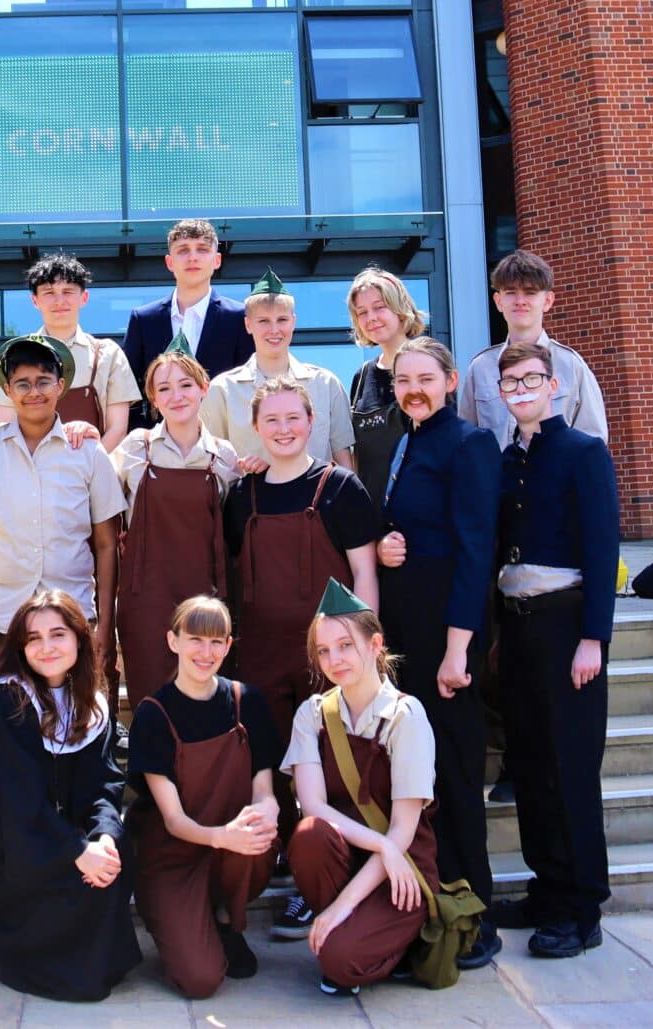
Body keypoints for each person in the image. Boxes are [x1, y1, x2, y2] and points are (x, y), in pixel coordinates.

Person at [222, 375, 381, 942]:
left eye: (294, 419)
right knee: (270, 760)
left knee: (333, 764)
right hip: (261, 651)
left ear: (311, 424)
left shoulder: (339, 488)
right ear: (256, 428)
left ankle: (325, 888)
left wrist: (364, 647)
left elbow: (364, 570)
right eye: (272, 420)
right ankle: (282, 867)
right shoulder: (242, 494)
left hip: (329, 655)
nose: (283, 429)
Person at [486, 339, 619, 958]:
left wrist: (594, 638)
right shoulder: (506, 459)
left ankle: (582, 905)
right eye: (510, 385)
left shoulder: (583, 453)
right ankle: (547, 889)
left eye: (531, 381)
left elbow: (601, 549)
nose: (521, 392)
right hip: (518, 629)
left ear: (555, 386)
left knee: (570, 771)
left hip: (569, 629)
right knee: (532, 765)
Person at [374, 337, 502, 969]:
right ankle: (430, 907)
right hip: (406, 639)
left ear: (450, 381)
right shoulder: (406, 441)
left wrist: (459, 650)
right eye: (403, 379)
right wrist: (386, 548)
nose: (414, 388)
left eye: (425, 377)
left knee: (453, 776)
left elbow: (477, 550)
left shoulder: (470, 443)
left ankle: (477, 919)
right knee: (419, 780)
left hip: (448, 645)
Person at [0, 590, 143, 1002]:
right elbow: (16, 802)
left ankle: (89, 956)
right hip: (11, 844)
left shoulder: (90, 701)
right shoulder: (9, 700)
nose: (47, 647)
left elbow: (105, 784)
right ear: (20, 648)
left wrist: (103, 838)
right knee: (81, 876)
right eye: (33, 638)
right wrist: (76, 850)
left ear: (79, 638)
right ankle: (25, 951)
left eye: (58, 634)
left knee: (115, 853)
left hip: (53, 830)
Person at [283, 581, 440, 997]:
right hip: (350, 857)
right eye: (323, 650)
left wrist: (344, 902)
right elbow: (313, 805)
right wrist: (379, 845)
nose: (334, 659)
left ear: (375, 645)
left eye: (345, 645)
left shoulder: (405, 716)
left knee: (338, 962)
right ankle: (347, 929)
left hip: (400, 871)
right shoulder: (312, 714)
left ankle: (382, 936)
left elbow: (403, 833)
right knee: (308, 837)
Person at [0, 333, 127, 692]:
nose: (34, 392)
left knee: (73, 728)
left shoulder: (89, 455)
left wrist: (106, 624)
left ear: (60, 386)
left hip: (72, 619)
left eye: (44, 381)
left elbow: (107, 546)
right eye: (23, 384)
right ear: (8, 391)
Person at [127, 596, 282, 998]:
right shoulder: (152, 715)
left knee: (259, 835)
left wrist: (267, 811)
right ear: (172, 641)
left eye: (217, 642)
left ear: (229, 646)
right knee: (199, 980)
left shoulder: (247, 701)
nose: (206, 652)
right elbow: (175, 821)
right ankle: (187, 924)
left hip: (228, 853)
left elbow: (264, 790)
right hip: (171, 861)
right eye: (195, 639)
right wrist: (222, 836)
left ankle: (229, 923)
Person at [112, 346, 239, 707]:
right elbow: (96, 504)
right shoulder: (135, 448)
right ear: (153, 398)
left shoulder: (225, 456)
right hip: (145, 600)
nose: (176, 396)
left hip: (206, 597)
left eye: (185, 384)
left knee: (202, 699)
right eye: (164, 388)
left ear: (204, 387)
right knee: (150, 700)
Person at [0, 252, 139, 451]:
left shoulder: (108, 354)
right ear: (34, 300)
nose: (59, 301)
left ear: (84, 297)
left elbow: (117, 429)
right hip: (30, 474)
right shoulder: (11, 356)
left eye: (67, 291)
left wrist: (90, 468)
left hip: (93, 474)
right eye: (48, 293)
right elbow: (4, 429)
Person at [203, 269, 357, 469]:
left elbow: (344, 458)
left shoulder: (326, 384)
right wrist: (242, 468)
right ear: (248, 325)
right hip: (248, 498)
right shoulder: (222, 389)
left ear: (293, 322)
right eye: (263, 321)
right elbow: (212, 464)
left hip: (315, 499)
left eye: (282, 320)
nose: (274, 330)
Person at [458, 251, 608, 445]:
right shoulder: (480, 368)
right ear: (498, 301)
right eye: (511, 292)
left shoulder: (571, 365)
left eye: (530, 292)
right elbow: (465, 441)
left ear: (547, 301)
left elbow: (593, 440)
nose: (520, 300)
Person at [124, 219, 253, 428]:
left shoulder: (240, 318)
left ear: (217, 260)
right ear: (169, 262)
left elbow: (248, 388)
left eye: (202, 249)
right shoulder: (144, 320)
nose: (193, 257)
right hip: (158, 447)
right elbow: (131, 392)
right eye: (183, 250)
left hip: (225, 444)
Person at [344, 267, 425, 503]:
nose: (371, 318)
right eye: (362, 312)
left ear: (400, 309)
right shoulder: (362, 377)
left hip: (416, 513)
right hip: (370, 514)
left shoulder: (427, 364)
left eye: (380, 307)